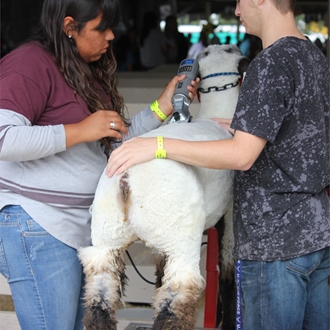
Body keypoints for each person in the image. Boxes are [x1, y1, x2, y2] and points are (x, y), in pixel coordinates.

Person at [106, 1, 330, 329]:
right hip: (317, 236)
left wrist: (158, 144)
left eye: (240, 1)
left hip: (275, 247)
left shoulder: (268, 64)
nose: (237, 10)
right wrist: (238, 124)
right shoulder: (313, 57)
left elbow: (242, 155)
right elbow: (297, 129)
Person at [0, 0, 197, 329]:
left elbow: (112, 138)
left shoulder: (82, 67)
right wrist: (79, 131)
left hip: (78, 227)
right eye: (101, 28)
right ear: (69, 27)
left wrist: (162, 106)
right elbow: (4, 137)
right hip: (38, 224)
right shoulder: (29, 63)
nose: (110, 37)